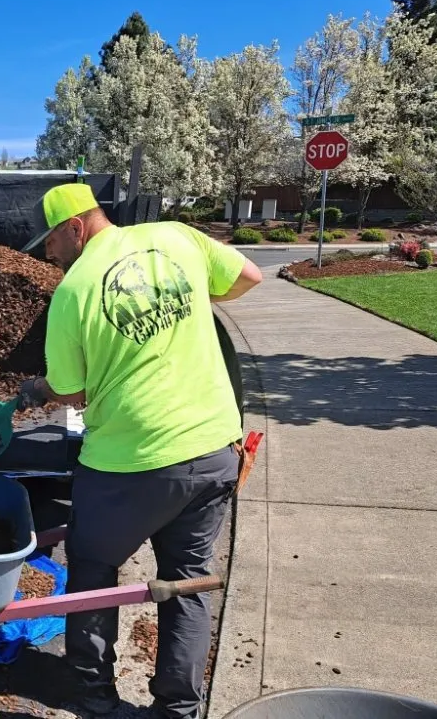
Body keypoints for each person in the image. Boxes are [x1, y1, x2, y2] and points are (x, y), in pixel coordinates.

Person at [16, 183, 262, 719]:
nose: (47, 255)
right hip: (215, 447)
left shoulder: (75, 290)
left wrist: (35, 390)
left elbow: (70, 389)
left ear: (76, 227)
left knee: (92, 570)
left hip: (130, 464)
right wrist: (187, 299)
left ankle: (95, 699)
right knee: (187, 581)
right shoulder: (177, 237)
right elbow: (249, 276)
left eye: (51, 243)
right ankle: (178, 710)